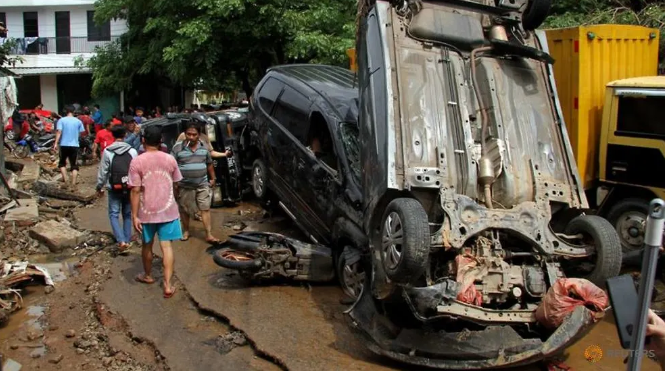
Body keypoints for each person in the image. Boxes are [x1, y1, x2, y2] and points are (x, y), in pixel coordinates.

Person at [129, 125, 183, 298]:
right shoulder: (170, 159)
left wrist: (134, 215)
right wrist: (174, 200)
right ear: (161, 141)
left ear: (143, 140)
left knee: (147, 245)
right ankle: (167, 285)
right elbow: (176, 184)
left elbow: (135, 190)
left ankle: (148, 275)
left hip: (147, 212)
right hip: (168, 210)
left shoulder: (137, 161)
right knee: (166, 247)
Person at [171, 121, 222, 244]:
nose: (191, 137)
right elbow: (172, 166)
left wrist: (213, 178)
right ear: (184, 134)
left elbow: (209, 164)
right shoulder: (177, 148)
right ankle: (186, 231)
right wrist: (175, 184)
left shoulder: (204, 146)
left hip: (202, 184)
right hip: (184, 185)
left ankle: (209, 234)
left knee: (205, 208)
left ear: (199, 135)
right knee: (185, 210)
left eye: (194, 134)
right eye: (189, 134)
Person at [96, 125, 138, 251]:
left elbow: (103, 171)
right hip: (129, 186)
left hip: (114, 187)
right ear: (125, 135)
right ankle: (127, 238)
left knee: (114, 214)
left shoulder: (108, 151)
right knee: (127, 213)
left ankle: (121, 241)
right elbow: (136, 170)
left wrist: (99, 186)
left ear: (113, 136)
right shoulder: (132, 151)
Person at [53, 105, 85, 188]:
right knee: (74, 165)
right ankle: (73, 183)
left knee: (62, 163)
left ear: (65, 111)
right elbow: (82, 133)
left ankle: (66, 180)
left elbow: (59, 132)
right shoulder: (78, 121)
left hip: (63, 144)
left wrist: (56, 143)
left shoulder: (61, 120)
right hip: (74, 145)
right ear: (74, 111)